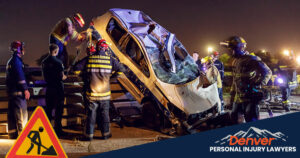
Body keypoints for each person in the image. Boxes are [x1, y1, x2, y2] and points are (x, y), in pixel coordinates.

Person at [73, 39, 125, 141]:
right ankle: (105, 135)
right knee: (105, 115)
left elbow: (76, 69)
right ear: (105, 48)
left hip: (92, 94)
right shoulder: (110, 60)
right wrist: (111, 78)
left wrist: (85, 77)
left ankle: (89, 136)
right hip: (105, 95)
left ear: (97, 47)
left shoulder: (89, 59)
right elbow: (122, 71)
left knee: (91, 116)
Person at [221, 36, 272, 124]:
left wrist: (259, 83)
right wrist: (232, 97)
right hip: (238, 98)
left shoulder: (252, 59)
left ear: (240, 48)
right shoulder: (236, 61)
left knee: (251, 119)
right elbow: (235, 79)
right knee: (234, 118)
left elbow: (267, 72)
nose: (230, 51)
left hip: (250, 97)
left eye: (232, 49)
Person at [6, 41, 30, 139]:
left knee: (12, 115)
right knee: (21, 115)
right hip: (18, 94)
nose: (24, 49)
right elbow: (20, 76)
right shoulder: (16, 61)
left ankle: (12, 134)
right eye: (22, 48)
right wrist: (25, 89)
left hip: (11, 93)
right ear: (18, 49)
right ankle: (23, 136)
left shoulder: (10, 61)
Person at [42, 44, 67, 136]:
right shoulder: (58, 62)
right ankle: (58, 130)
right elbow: (62, 76)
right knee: (58, 110)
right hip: (58, 89)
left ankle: (47, 130)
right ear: (56, 51)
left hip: (49, 88)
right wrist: (65, 76)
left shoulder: (44, 62)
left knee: (48, 110)